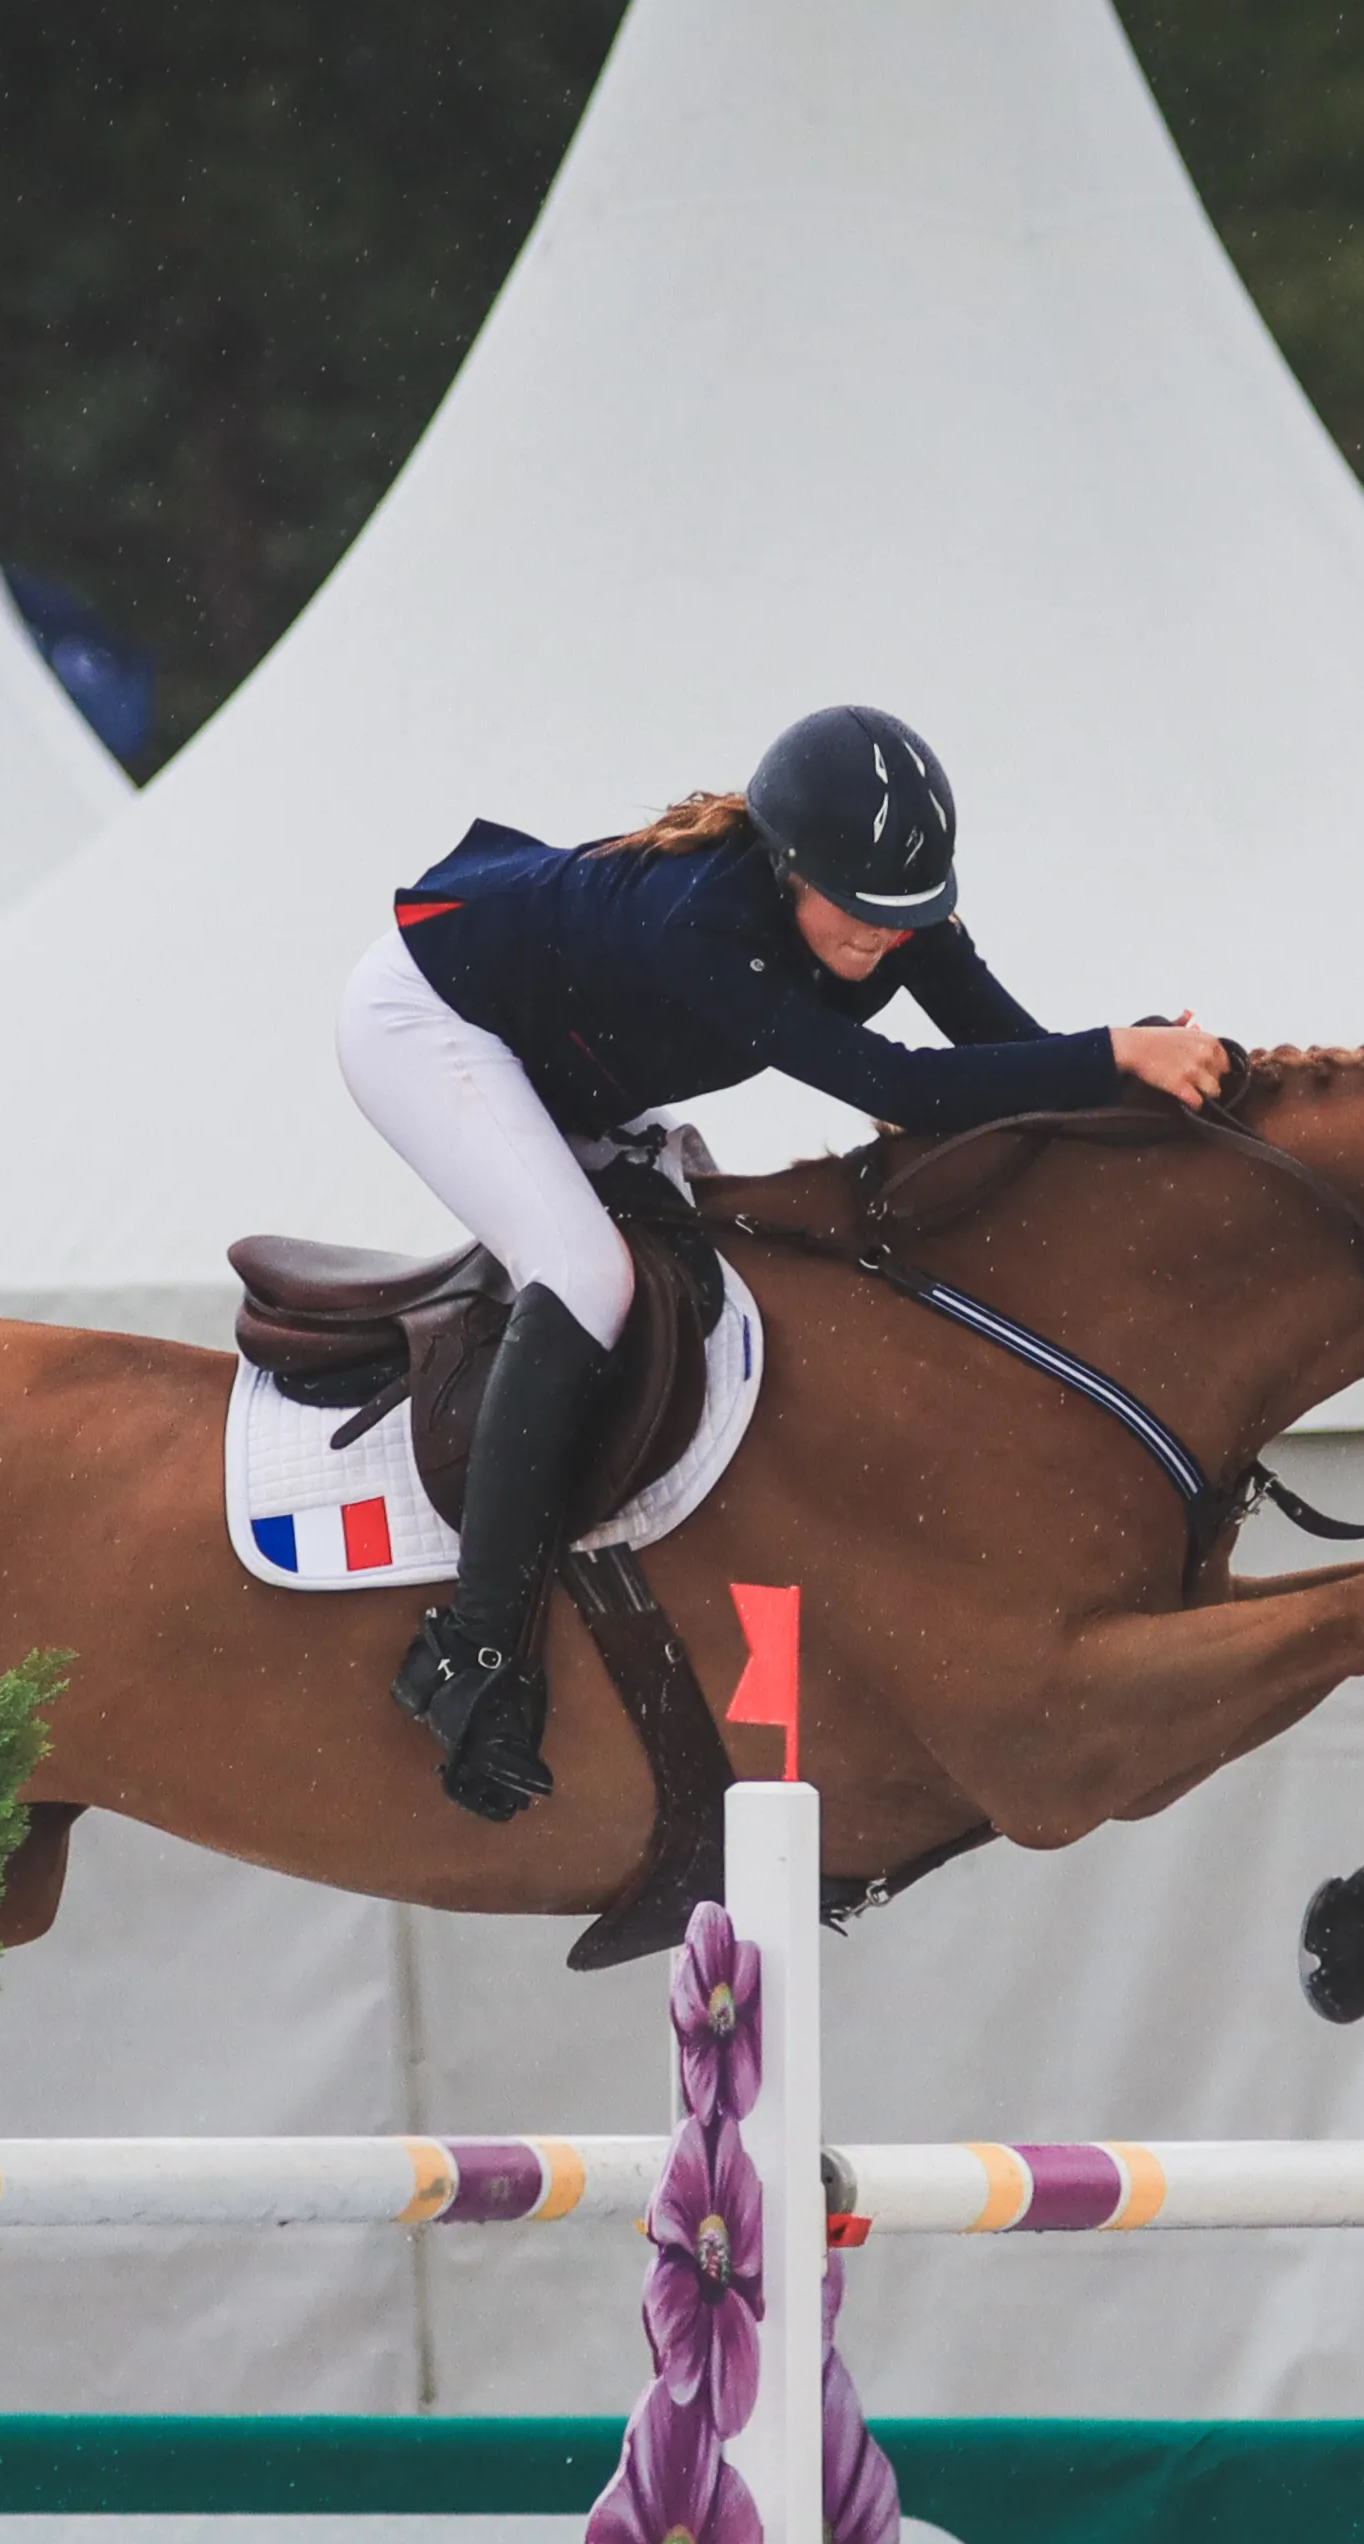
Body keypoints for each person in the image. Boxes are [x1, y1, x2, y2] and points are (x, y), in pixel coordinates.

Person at [354, 703, 1233, 1818]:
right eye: (858, 915)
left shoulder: (891, 920)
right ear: (787, 866)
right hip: (429, 1020)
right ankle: (470, 1651)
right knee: (587, 1277)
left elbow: (1000, 1053)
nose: (879, 940)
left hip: (564, 1063)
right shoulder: (702, 924)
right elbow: (902, 1091)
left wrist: (1132, 1075)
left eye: (905, 918)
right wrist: (1113, 1051)